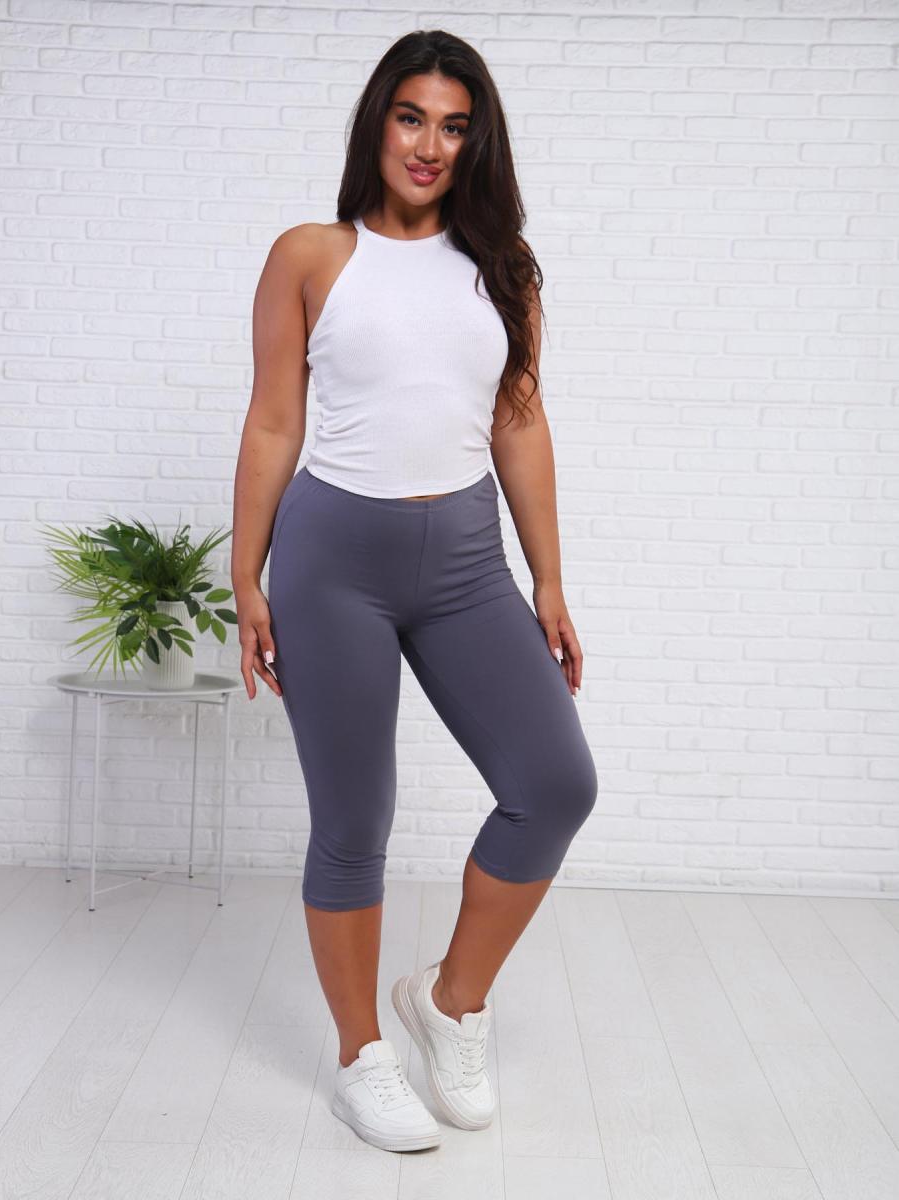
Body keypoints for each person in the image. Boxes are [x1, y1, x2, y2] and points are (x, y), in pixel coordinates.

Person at [230, 30, 598, 1154]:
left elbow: (518, 421)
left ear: (475, 141)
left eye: (453, 125)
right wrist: (246, 574)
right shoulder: (311, 255)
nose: (429, 144)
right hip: (331, 560)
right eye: (410, 117)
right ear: (376, 124)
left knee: (553, 783)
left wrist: (547, 577)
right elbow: (274, 421)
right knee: (354, 821)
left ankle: (448, 1002)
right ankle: (361, 1059)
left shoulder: (503, 268)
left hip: (466, 562)